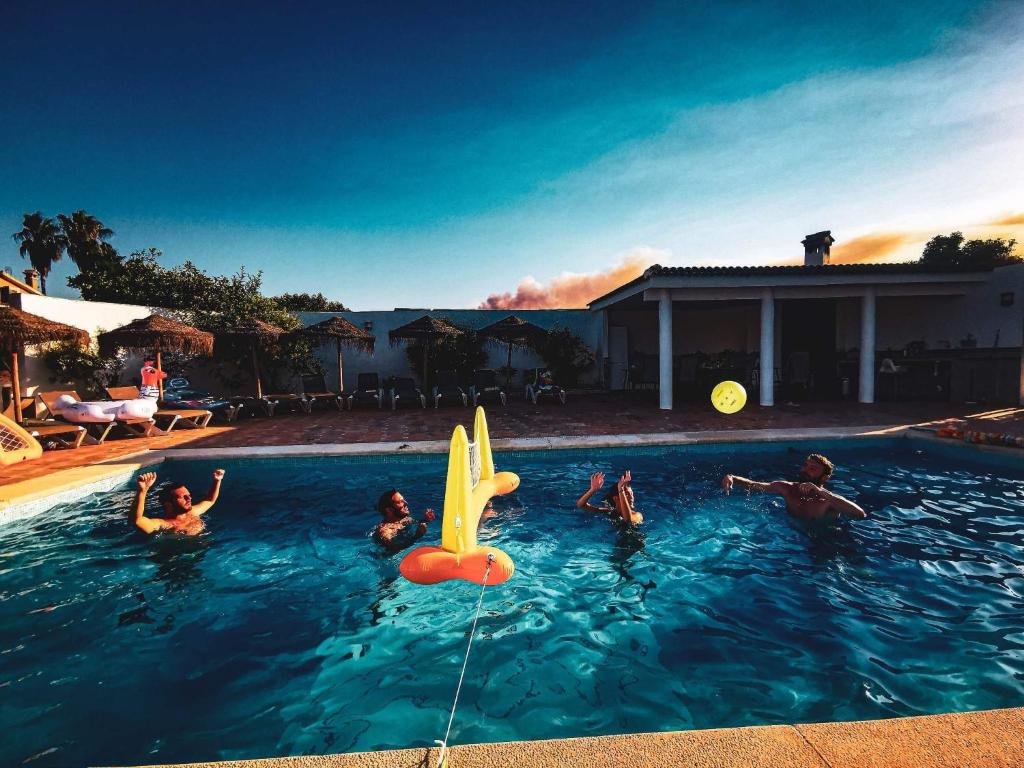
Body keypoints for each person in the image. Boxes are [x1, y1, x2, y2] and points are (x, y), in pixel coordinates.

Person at [722, 453, 866, 522]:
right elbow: (754, 485)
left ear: (825, 477)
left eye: (813, 469)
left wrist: (820, 492)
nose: (805, 470)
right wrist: (733, 477)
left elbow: (860, 514)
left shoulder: (829, 500)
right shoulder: (787, 488)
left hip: (828, 542)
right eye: (805, 466)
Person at [132, 469, 226, 535]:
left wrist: (217, 480)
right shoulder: (164, 525)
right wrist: (143, 490)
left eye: (188, 495)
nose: (189, 498)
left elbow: (209, 500)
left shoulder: (192, 512)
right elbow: (137, 521)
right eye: (183, 497)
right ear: (168, 503)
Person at [576, 470, 643, 525]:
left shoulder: (637, 515)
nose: (632, 497)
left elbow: (628, 520)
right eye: (627, 494)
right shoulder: (609, 512)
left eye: (632, 494)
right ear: (616, 498)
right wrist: (592, 490)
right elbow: (581, 505)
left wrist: (621, 490)